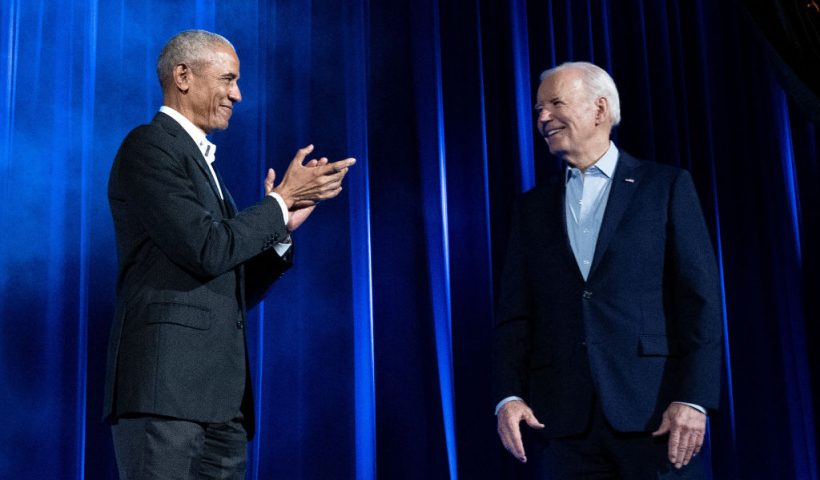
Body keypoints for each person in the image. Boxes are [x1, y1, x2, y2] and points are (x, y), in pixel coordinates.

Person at [104, 30, 355, 479]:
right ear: (183, 76)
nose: (238, 94)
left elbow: (230, 283)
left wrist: (282, 231)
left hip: (221, 407)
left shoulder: (203, 166)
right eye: (228, 79)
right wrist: (277, 203)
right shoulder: (148, 146)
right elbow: (207, 248)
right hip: (166, 400)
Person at [492, 62, 721, 479]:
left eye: (555, 103)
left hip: (656, 414)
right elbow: (515, 315)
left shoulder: (665, 187)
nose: (542, 118)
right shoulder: (531, 208)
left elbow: (700, 301)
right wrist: (508, 395)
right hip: (564, 422)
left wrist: (694, 398)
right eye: (538, 109)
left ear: (599, 110)